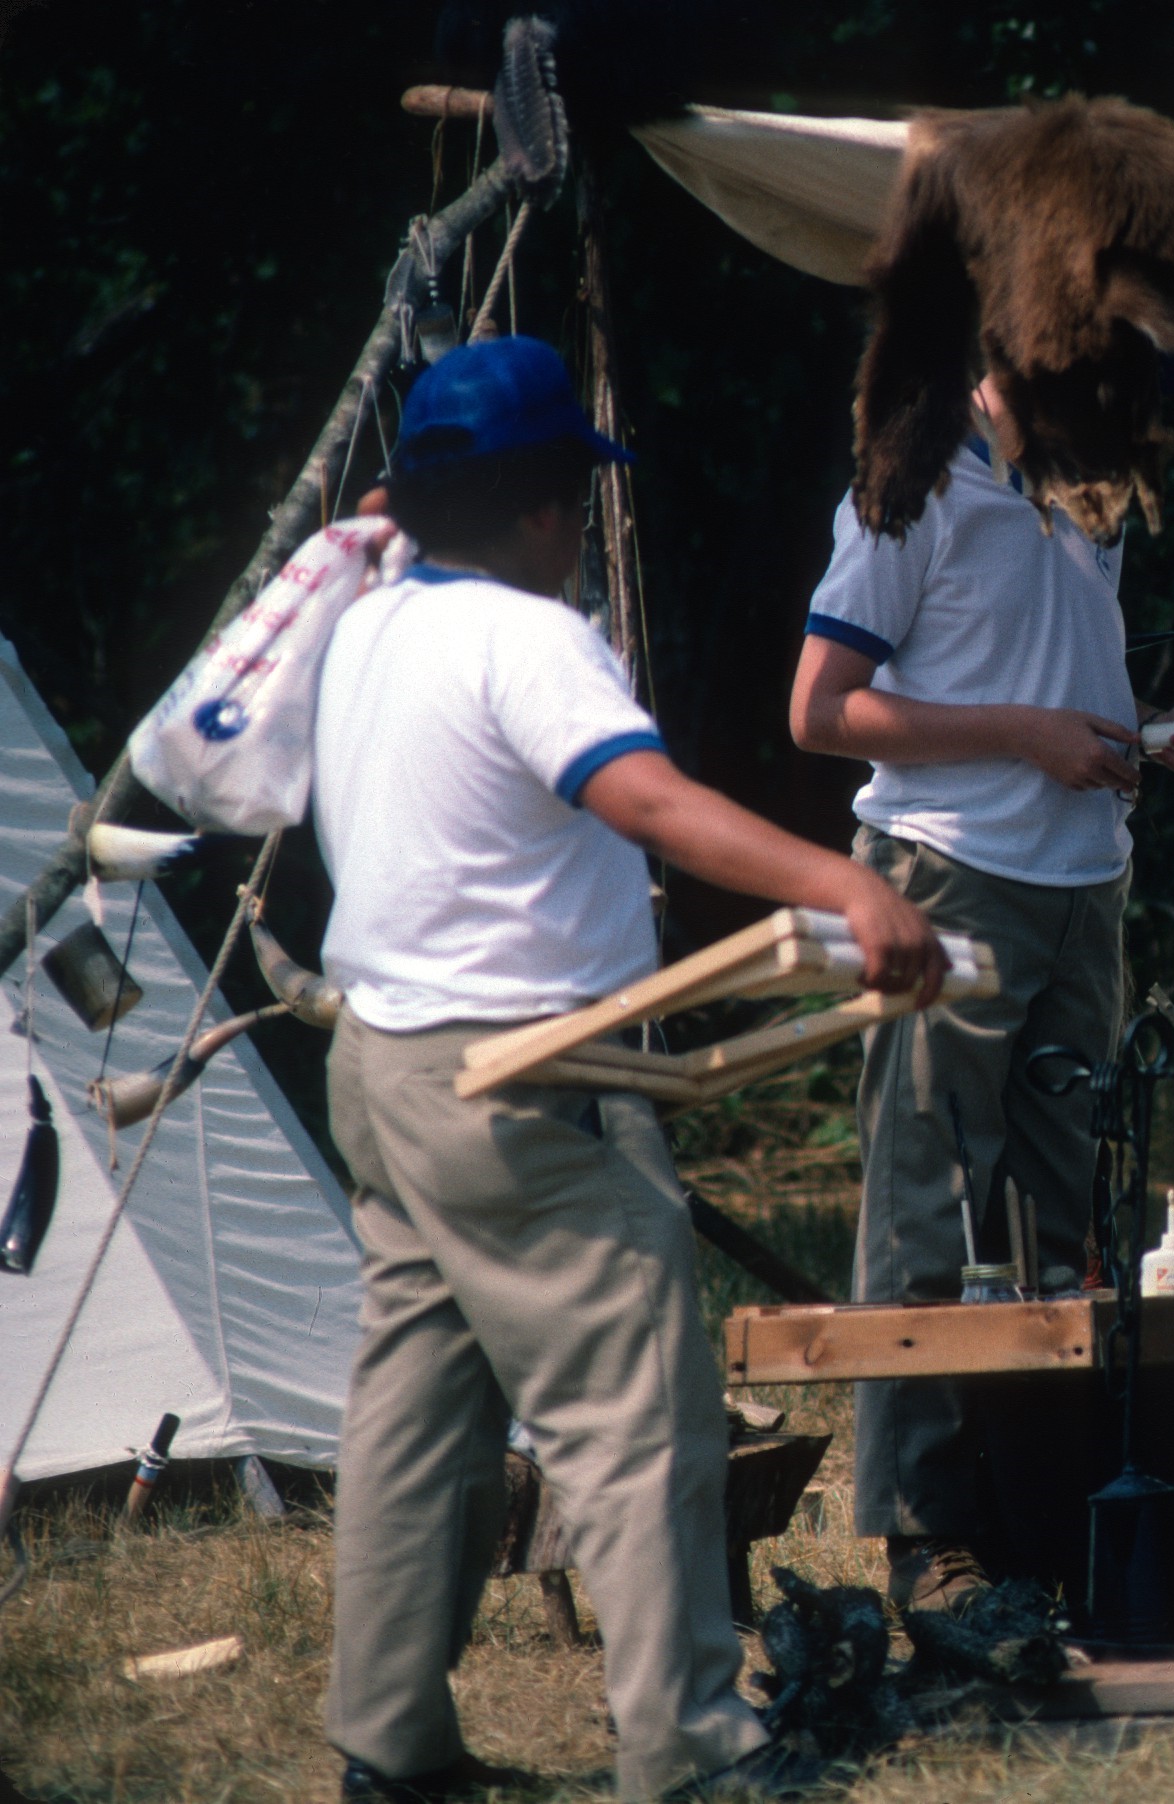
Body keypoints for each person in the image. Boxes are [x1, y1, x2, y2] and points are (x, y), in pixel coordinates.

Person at [312, 335, 947, 1803]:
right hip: (523, 1074)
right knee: (637, 1409)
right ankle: (689, 1751)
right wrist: (847, 888)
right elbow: (648, 801)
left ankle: (388, 1746)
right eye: (573, 500)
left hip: (385, 1065)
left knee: (415, 1418)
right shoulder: (531, 639)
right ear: (546, 505)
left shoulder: (370, 625)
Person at [789, 376, 1174, 1612]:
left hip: (1083, 886)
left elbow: (1054, 687)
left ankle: (1039, 1534)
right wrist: (1025, 735)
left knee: (1055, 1237)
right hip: (946, 879)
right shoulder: (913, 484)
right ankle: (922, 1539)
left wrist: (1151, 730)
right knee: (928, 1211)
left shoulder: (1091, 489)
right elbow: (820, 708)